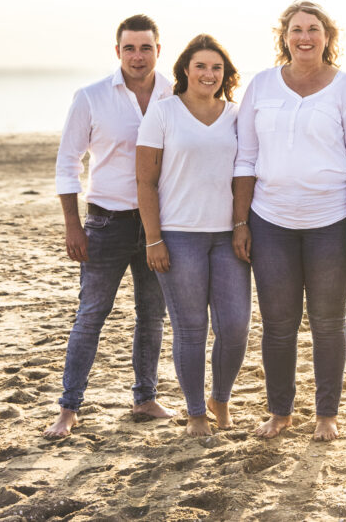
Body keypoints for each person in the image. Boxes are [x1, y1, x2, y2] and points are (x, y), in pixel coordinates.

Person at [233, 1, 346, 442]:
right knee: (278, 323)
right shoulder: (260, 86)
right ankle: (280, 412)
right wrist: (241, 223)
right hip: (270, 221)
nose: (305, 37)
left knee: (328, 321)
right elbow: (245, 159)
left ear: (327, 37)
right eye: (297, 29)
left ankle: (326, 414)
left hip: (331, 223)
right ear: (285, 36)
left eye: (314, 29)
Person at [45, 14, 174, 438]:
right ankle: (68, 408)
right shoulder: (91, 97)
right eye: (130, 48)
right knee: (91, 315)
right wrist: (72, 224)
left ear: (159, 50)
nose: (138, 56)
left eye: (146, 48)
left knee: (151, 315)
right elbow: (68, 162)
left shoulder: (175, 95)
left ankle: (144, 397)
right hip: (105, 222)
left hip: (159, 223)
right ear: (117, 51)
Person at [136, 34, 249, 437]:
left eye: (216, 68)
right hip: (178, 236)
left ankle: (221, 397)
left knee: (236, 326)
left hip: (227, 237)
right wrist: (153, 238)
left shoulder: (236, 115)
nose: (209, 74)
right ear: (185, 69)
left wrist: (241, 226)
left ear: (225, 74)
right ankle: (197, 413)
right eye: (201, 66)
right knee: (190, 328)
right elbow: (145, 181)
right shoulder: (163, 113)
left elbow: (245, 176)